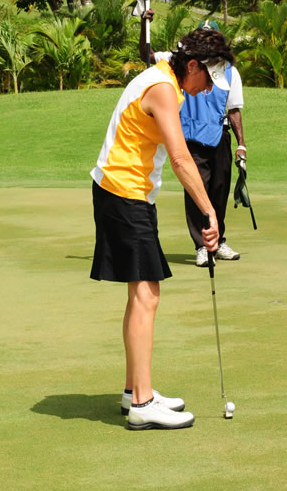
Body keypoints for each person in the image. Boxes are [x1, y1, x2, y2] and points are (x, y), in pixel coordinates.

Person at [90, 29, 229, 430]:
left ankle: (135, 390)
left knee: (141, 294)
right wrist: (209, 211)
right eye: (208, 78)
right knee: (147, 294)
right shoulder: (164, 88)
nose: (208, 89)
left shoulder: (166, 76)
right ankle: (142, 403)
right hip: (123, 192)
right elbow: (182, 158)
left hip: (128, 193)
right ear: (192, 66)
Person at [140, 15, 246, 267]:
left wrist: (241, 144)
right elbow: (146, 55)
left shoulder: (230, 72)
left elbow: (234, 110)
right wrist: (144, 25)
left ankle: (218, 242)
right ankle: (201, 246)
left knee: (219, 191)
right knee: (196, 191)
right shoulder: (180, 60)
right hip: (190, 136)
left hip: (219, 136)